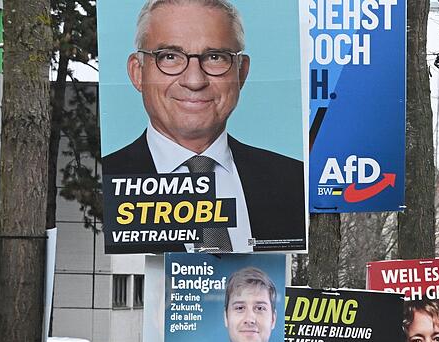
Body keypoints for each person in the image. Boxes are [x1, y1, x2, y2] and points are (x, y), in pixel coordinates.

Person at [104, 0, 305, 253]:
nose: (195, 80)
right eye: (170, 57)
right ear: (137, 73)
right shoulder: (104, 179)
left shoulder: (294, 181)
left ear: (241, 73)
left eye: (215, 57)